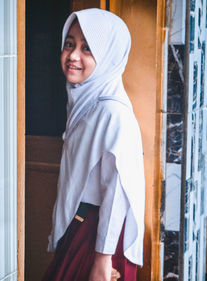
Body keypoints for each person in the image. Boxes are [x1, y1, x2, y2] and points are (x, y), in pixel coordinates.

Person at [42, 8, 145, 281]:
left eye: (88, 48)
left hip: (99, 237)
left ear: (109, 55)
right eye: (70, 44)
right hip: (84, 228)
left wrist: (102, 258)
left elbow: (118, 190)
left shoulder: (113, 113)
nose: (73, 55)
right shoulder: (86, 101)